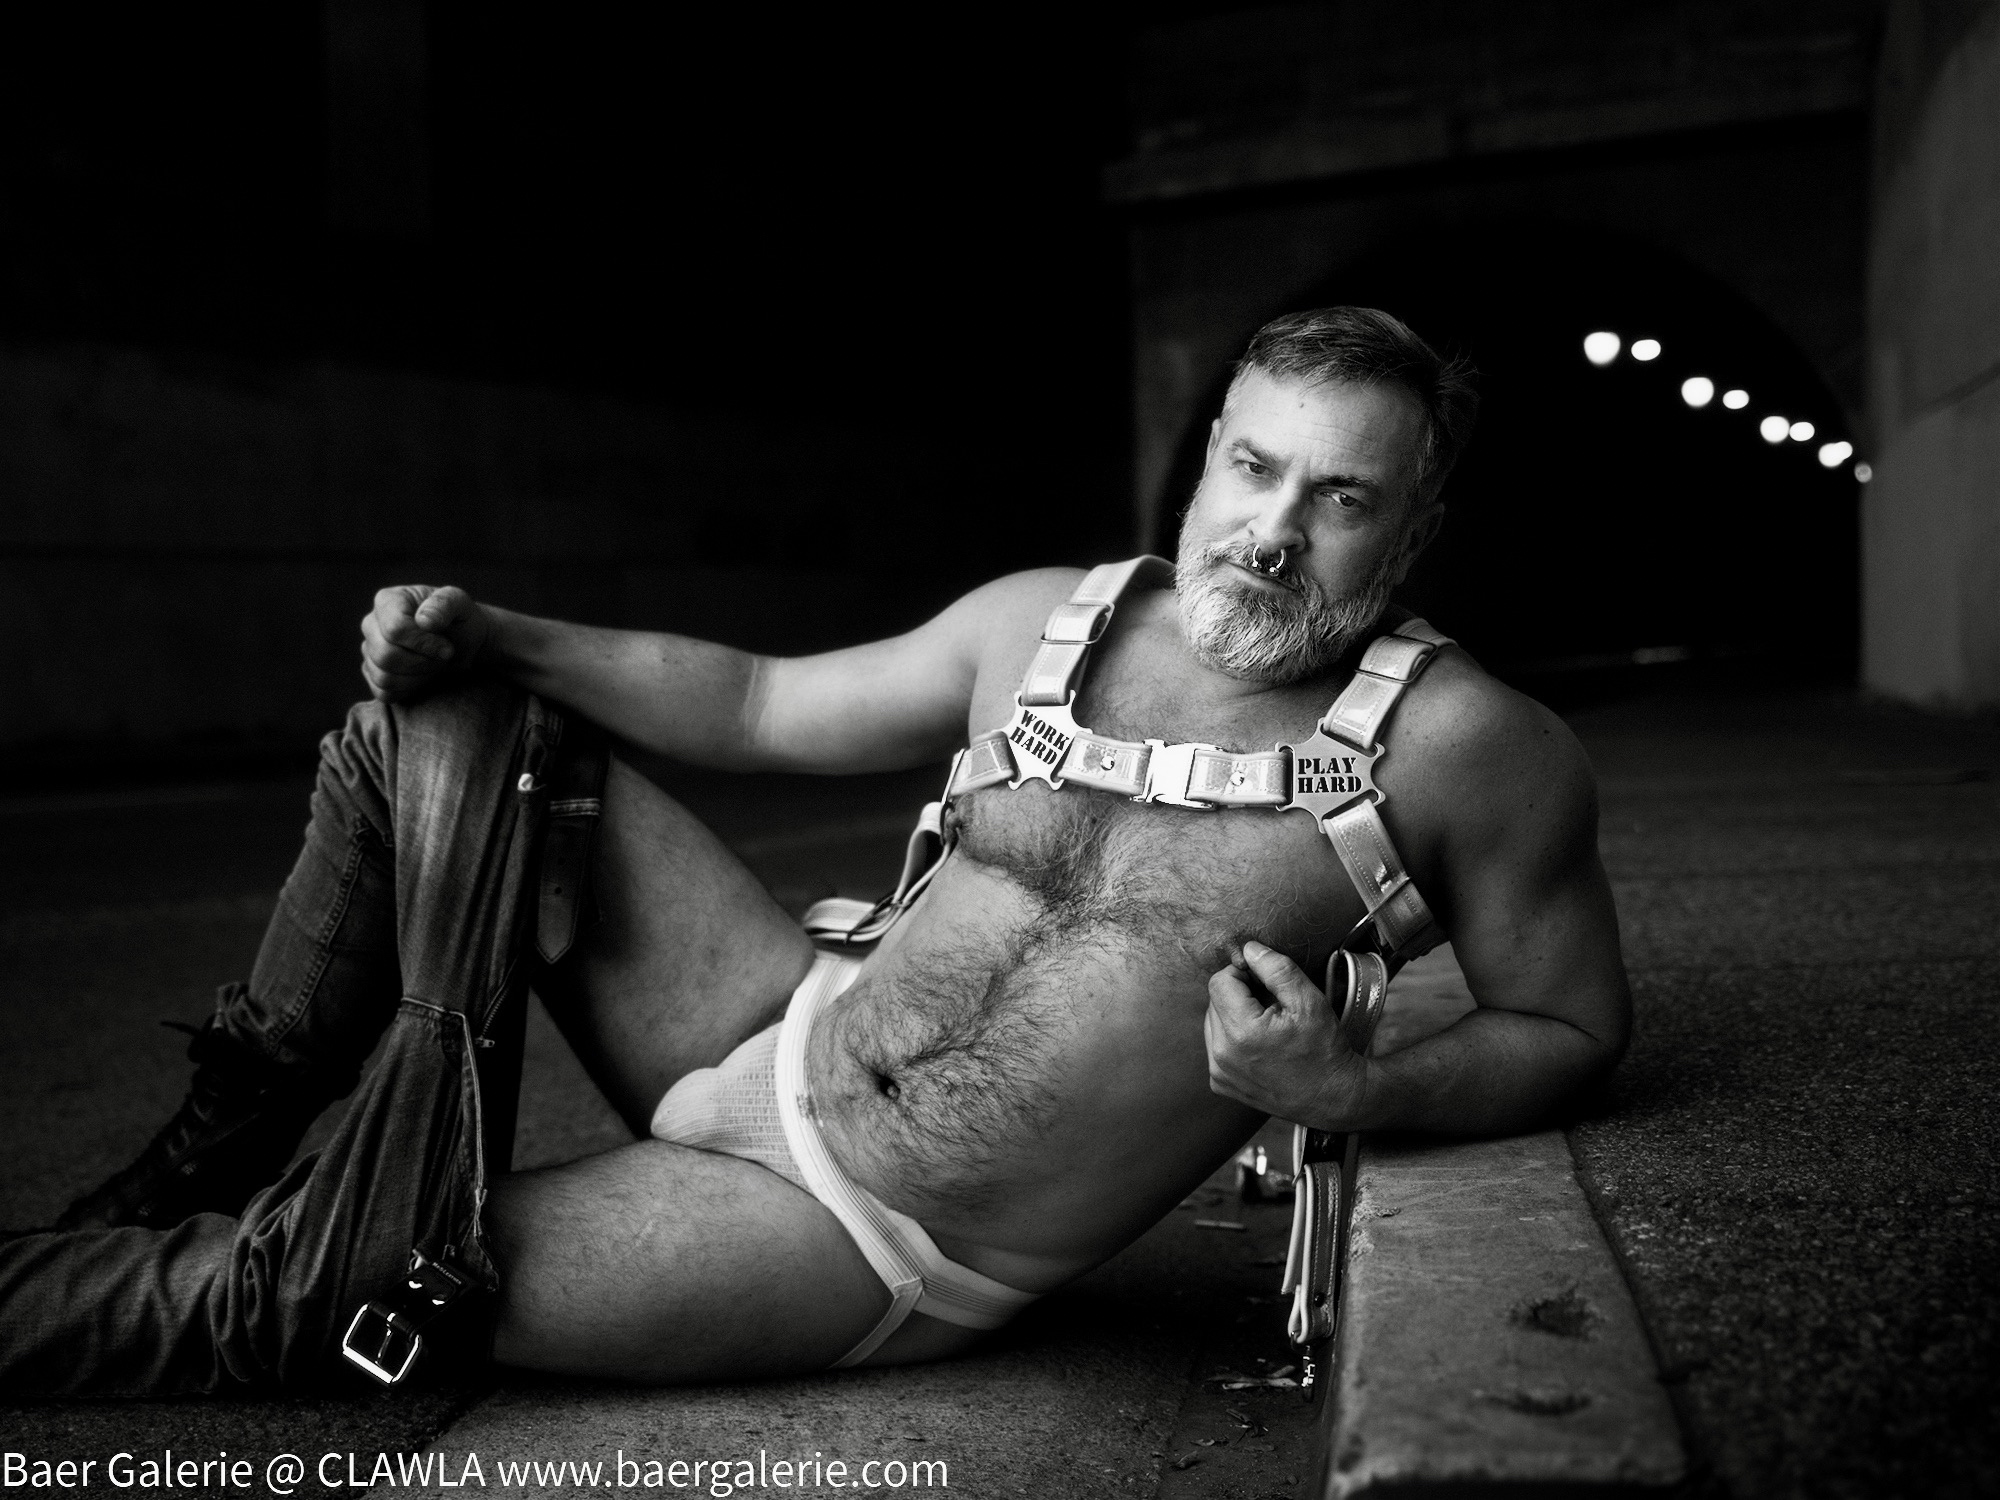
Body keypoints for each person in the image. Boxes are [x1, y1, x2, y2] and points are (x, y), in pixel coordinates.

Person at [0, 307, 1629, 1394]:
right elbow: (761, 701)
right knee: (433, 732)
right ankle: (205, 1149)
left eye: (1341, 499)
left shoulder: (1469, 751)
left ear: (1414, 530)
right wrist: (497, 635)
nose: (1271, 531)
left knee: (319, 1286)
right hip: (776, 1020)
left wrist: (1352, 1087)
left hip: (863, 1238)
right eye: (1255, 467)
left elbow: (1569, 1026)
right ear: (1207, 451)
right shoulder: (1046, 619)